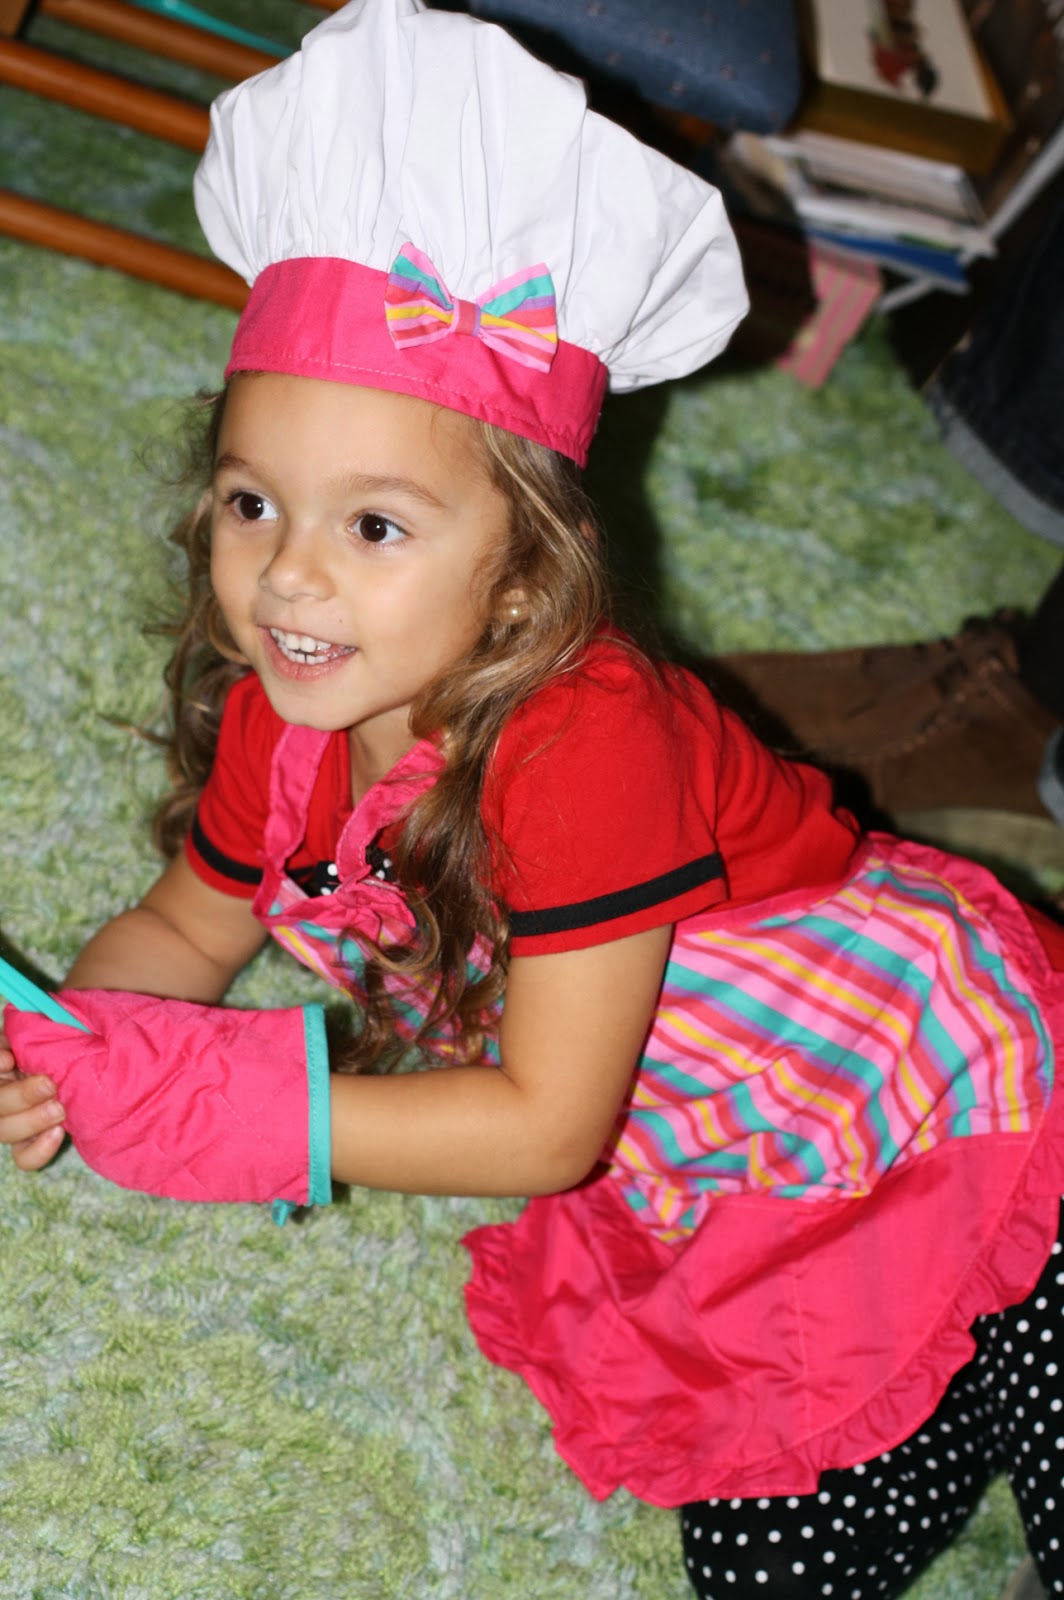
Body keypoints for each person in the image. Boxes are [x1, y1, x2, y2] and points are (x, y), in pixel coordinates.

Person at [0, 4, 1061, 1599]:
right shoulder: (285, 710)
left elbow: (550, 1125)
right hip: (712, 1148)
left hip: (921, 1081)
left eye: (374, 527)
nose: (286, 573)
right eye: (252, 502)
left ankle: (1007, 1298)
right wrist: (85, 1051)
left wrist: (262, 1115)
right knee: (767, 1569)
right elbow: (186, 924)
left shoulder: (585, 739)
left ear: (521, 582)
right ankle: (952, 1359)